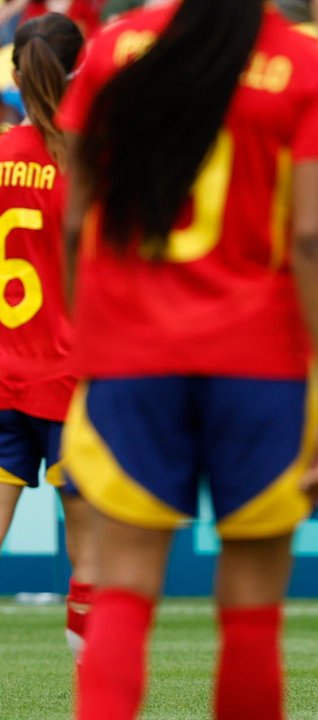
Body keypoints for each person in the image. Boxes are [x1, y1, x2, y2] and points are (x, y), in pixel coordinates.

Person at [54, 2, 318, 718]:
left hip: (133, 358)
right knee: (252, 611)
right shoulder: (309, 67)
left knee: (122, 590)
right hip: (260, 366)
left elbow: (74, 220)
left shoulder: (113, 51)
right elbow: (312, 238)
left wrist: (91, 340)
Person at [0, 11, 92, 656]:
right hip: (71, 377)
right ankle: (93, 677)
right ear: (79, 71)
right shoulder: (90, 161)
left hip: (3, 369)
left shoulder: (3, 155)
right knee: (90, 549)